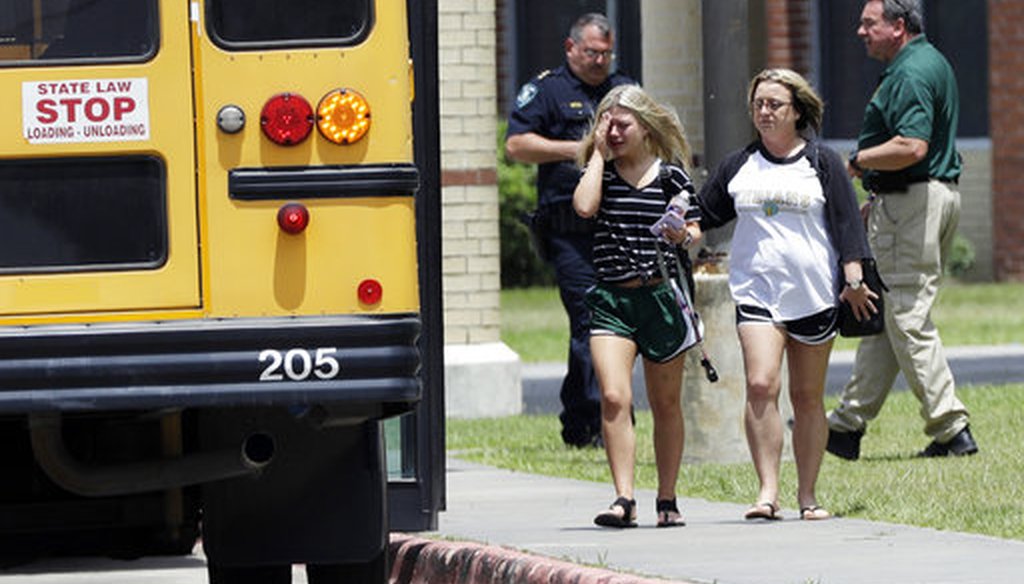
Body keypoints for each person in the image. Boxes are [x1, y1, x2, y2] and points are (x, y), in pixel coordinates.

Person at [693, 69, 875, 521]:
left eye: (775, 104)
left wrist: (853, 277)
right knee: (760, 384)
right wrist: (684, 228)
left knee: (808, 396)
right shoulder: (738, 165)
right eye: (758, 104)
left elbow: (847, 222)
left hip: (813, 293)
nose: (765, 111)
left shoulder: (823, 161)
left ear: (796, 110)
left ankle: (807, 495)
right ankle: (767, 492)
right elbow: (704, 212)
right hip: (757, 291)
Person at [826, 0, 978, 460]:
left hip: (914, 200)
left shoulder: (910, 73)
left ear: (897, 26)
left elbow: (912, 146)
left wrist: (857, 162)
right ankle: (845, 427)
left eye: (868, 23)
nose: (859, 31)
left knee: (907, 316)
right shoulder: (929, 61)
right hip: (925, 197)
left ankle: (952, 429)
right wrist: (880, 191)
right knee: (886, 317)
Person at [506, 13, 636, 448]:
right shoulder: (547, 90)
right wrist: (580, 149)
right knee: (590, 319)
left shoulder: (623, 90)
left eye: (605, 53)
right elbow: (517, 145)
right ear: (570, 48)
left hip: (616, 226)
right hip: (568, 232)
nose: (599, 61)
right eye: (591, 52)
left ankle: (586, 415)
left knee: (613, 320)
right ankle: (599, 420)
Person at [573, 84, 699, 529]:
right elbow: (584, 208)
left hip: (661, 298)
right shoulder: (600, 173)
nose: (613, 131)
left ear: (645, 127)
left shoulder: (672, 176)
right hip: (612, 299)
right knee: (614, 396)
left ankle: (667, 498)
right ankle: (623, 498)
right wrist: (598, 155)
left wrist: (681, 234)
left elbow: (696, 231)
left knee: (666, 404)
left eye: (622, 123)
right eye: (606, 123)